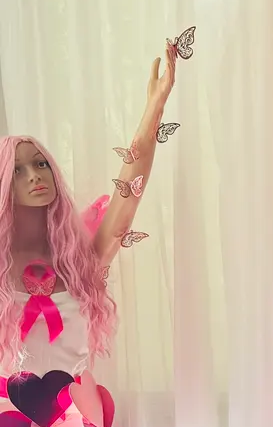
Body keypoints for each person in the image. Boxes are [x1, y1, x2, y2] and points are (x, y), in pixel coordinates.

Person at [0, 43, 177, 375]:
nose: (35, 175)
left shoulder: (78, 262)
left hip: (79, 418)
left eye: (41, 164)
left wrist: (155, 108)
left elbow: (130, 192)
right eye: (18, 170)